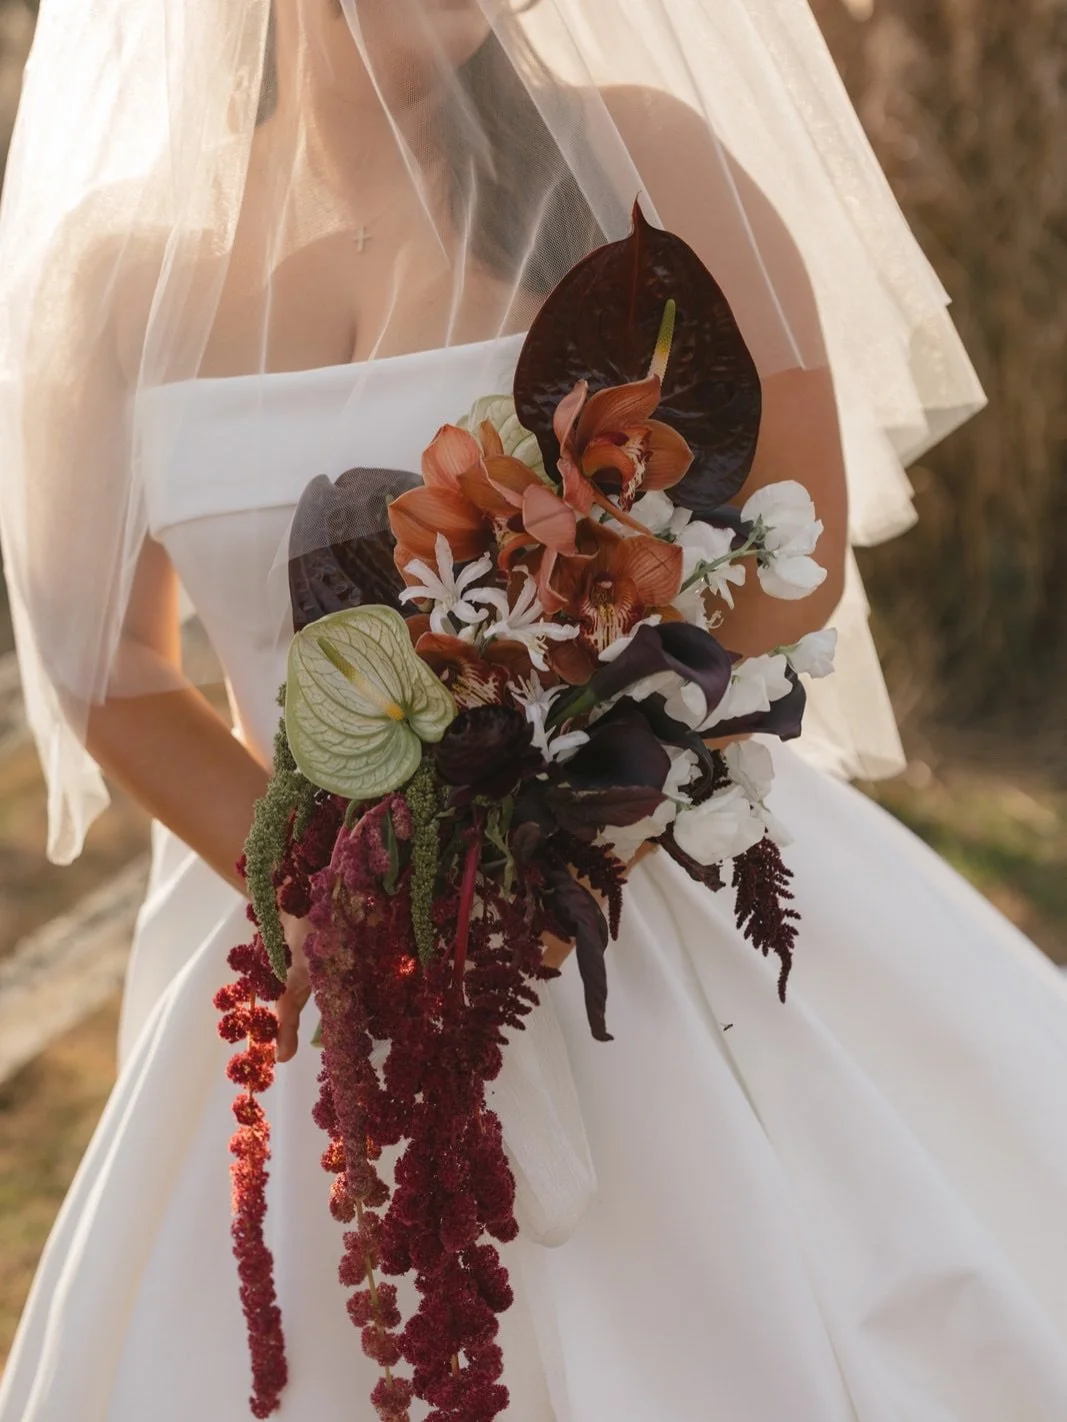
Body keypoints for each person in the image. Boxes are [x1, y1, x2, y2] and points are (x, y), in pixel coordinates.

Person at [1, 2, 1065, 1419]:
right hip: (327, 956)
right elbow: (108, 671)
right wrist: (343, 897)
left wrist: (580, 797)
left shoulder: (631, 161)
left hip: (650, 884)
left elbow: (790, 526)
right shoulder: (124, 279)